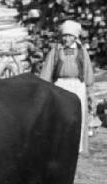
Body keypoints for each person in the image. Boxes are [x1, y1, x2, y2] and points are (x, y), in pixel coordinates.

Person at [40, 20, 94, 154]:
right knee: (61, 115)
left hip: (77, 85)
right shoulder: (56, 50)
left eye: (70, 36)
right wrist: (43, 86)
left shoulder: (81, 51)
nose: (67, 39)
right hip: (60, 84)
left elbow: (87, 71)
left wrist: (89, 89)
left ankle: (78, 146)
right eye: (65, 36)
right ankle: (60, 145)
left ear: (75, 37)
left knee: (79, 115)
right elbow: (47, 70)